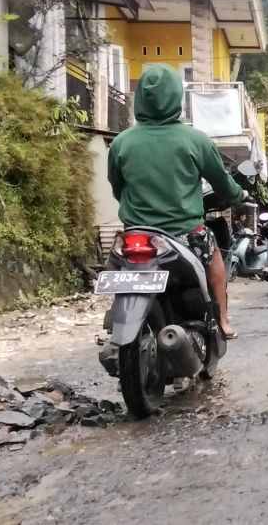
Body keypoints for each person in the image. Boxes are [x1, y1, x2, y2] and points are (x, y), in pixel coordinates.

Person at [107, 65, 244, 339]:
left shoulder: (121, 143)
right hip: (185, 235)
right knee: (215, 258)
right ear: (176, 97)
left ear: (140, 98)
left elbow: (117, 188)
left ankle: (117, 319)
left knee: (122, 271)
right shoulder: (196, 141)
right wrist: (237, 195)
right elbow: (223, 184)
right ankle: (222, 320)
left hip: (137, 236)